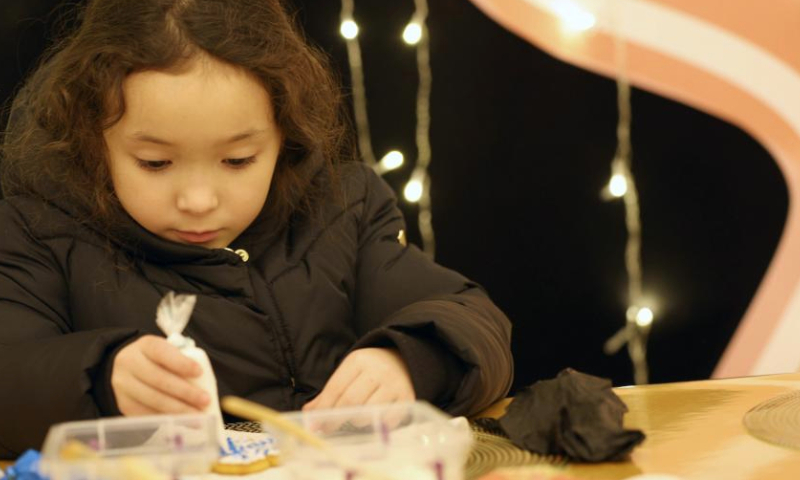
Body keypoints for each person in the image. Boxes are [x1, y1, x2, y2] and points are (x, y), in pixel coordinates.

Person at [0, 0, 513, 458]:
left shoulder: (339, 207)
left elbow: (475, 321)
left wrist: (408, 362)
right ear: (94, 137)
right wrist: (101, 375)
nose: (198, 201)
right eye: (155, 163)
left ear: (284, 132)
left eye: (238, 160)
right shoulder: (40, 228)